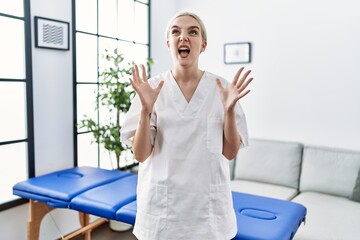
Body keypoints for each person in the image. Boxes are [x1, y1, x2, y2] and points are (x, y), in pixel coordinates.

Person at [120, 11, 253, 240]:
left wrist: (229, 111)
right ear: (168, 43)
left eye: (192, 32)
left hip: (207, 213)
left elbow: (230, 153)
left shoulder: (222, 89)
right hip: (162, 209)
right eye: (176, 32)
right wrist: (145, 109)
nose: (183, 37)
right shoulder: (151, 89)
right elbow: (141, 154)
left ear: (203, 44)